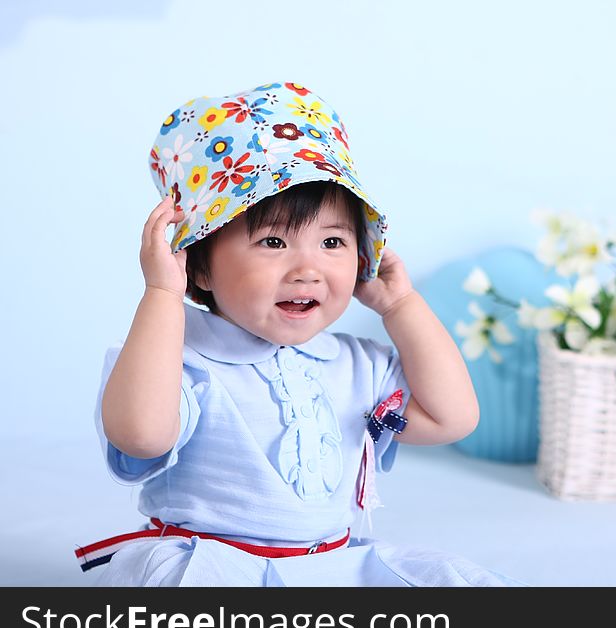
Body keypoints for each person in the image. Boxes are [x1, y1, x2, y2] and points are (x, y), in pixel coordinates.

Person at [78, 81, 522, 586]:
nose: (308, 269)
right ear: (199, 268)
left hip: (330, 567)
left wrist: (401, 306)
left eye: (332, 241)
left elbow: (453, 418)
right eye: (273, 241)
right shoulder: (178, 360)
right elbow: (140, 434)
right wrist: (161, 292)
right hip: (216, 568)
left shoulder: (358, 365)